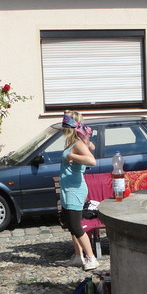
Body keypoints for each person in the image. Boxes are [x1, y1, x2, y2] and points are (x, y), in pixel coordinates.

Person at [59, 111, 100, 271]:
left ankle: (91, 258)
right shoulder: (75, 141)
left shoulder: (76, 144)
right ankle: (78, 256)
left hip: (75, 190)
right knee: (70, 224)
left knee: (76, 226)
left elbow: (92, 160)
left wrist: (73, 156)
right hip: (68, 189)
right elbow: (92, 146)